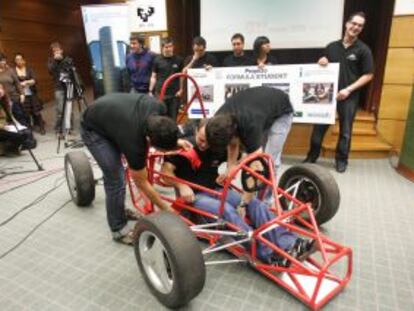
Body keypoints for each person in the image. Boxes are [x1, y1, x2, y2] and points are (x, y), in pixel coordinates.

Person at [162, 119, 314, 265]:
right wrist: (181, 186)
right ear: (195, 131)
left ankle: (291, 243)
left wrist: (230, 169)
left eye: (208, 142)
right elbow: (165, 173)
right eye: (201, 140)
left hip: (216, 189)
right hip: (195, 196)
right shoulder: (182, 147)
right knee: (227, 211)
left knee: (254, 203)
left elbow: (245, 158)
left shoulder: (216, 145)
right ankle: (269, 254)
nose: (204, 145)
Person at [81, 93, 191, 244]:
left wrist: (175, 141)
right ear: (148, 140)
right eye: (163, 150)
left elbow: (167, 131)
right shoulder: (134, 143)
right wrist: (167, 208)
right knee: (116, 177)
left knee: (124, 170)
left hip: (112, 116)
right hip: (94, 129)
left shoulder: (159, 108)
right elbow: (141, 183)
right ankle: (118, 229)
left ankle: (119, 209)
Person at [304, 12, 374, 173]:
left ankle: (341, 160)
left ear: (361, 29)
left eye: (360, 25)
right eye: (354, 23)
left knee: (346, 131)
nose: (355, 27)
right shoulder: (331, 47)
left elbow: (369, 74)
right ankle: (312, 156)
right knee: (318, 128)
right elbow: (322, 67)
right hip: (327, 95)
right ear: (347, 24)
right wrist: (321, 62)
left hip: (349, 96)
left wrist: (348, 89)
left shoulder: (363, 50)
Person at [205, 86, 294, 183]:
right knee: (255, 156)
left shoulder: (250, 124)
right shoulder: (218, 119)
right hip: (260, 107)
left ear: (234, 133)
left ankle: (266, 197)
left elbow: (257, 155)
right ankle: (257, 190)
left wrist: (237, 167)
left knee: (269, 161)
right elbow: (233, 144)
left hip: (281, 108)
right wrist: (230, 168)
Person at [149, 37, 183, 120]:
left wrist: (181, 89)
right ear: (162, 47)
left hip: (174, 95)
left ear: (173, 47)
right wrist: (150, 91)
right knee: (162, 118)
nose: (168, 49)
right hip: (160, 94)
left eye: (170, 46)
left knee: (173, 118)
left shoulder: (179, 59)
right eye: (166, 47)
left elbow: (182, 76)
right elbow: (153, 77)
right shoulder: (157, 60)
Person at [13, 53, 46, 135]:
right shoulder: (13, 71)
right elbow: (13, 83)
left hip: (31, 93)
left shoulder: (29, 69)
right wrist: (20, 84)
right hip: (22, 95)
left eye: (20, 59)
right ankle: (29, 130)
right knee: (26, 113)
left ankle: (41, 127)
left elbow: (35, 80)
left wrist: (27, 82)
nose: (19, 61)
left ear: (24, 60)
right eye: (17, 59)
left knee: (36, 112)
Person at [0, 83, 36, 154]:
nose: (0, 91)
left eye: (1, 89)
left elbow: (11, 117)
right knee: (18, 136)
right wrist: (3, 127)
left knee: (27, 133)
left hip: (6, 126)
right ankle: (8, 149)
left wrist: (18, 126)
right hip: (1, 128)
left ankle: (14, 147)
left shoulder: (5, 102)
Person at [47, 42, 75, 134]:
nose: (56, 52)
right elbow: (50, 71)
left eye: (58, 50)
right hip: (58, 88)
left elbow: (71, 69)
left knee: (69, 109)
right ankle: (60, 128)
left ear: (61, 50)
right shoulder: (51, 60)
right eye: (54, 51)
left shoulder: (67, 59)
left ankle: (69, 128)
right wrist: (55, 61)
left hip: (69, 87)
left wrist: (62, 60)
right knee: (60, 109)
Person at [0, 53, 27, 126]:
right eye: (1, 61)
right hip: (3, 101)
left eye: (4, 60)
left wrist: (22, 94)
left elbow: (17, 83)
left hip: (14, 98)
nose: (3, 62)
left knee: (21, 117)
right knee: (10, 120)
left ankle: (28, 136)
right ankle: (17, 136)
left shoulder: (10, 70)